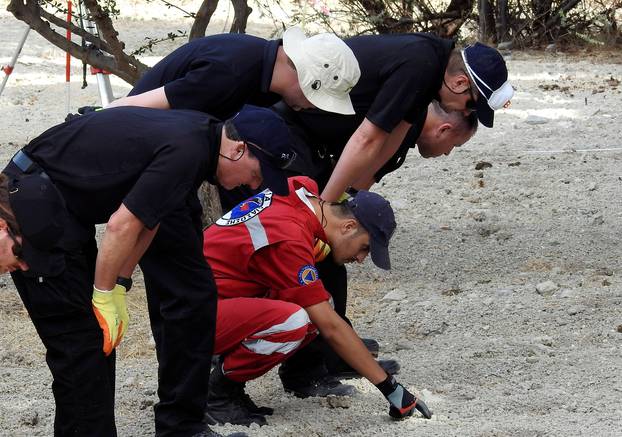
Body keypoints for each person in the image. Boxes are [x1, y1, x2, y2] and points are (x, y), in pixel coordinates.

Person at [1, 105, 295, 437]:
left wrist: (120, 285)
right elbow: (119, 227)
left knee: (96, 343)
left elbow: (149, 219)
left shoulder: (201, 140)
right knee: (80, 347)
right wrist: (103, 295)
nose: (252, 185)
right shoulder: (189, 149)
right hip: (26, 211)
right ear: (238, 150)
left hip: (61, 209)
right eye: (256, 175)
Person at [202, 176, 433, 426]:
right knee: (297, 320)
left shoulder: (301, 190)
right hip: (193, 314)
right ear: (348, 226)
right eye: (364, 247)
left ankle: (229, 389)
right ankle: (218, 394)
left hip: (209, 296)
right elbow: (331, 328)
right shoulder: (291, 237)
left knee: (317, 307)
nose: (361, 259)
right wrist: (392, 389)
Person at [308, 37, 513, 202]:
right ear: (460, 83)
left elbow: (387, 146)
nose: (467, 113)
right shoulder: (420, 65)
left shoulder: (431, 71)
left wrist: (343, 200)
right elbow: (367, 139)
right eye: (472, 105)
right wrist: (325, 208)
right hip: (294, 109)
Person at [107, 27, 360, 118]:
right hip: (134, 133)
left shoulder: (265, 73)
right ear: (307, 80)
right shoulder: (231, 72)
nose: (313, 107)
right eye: (318, 100)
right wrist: (90, 119)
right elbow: (137, 106)